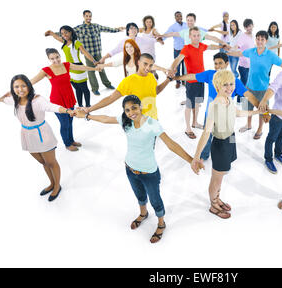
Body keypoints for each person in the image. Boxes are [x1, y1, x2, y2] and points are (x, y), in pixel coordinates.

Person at [74, 95, 203, 243]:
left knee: (155, 200)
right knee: (140, 196)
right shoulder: (126, 121)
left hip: (149, 173)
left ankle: (161, 223)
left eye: (134, 108)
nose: (131, 112)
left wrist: (191, 160)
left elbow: (171, 144)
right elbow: (105, 119)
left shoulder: (152, 124)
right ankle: (143, 214)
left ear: (140, 106)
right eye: (127, 110)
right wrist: (87, 116)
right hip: (130, 169)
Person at [190, 70, 262, 219]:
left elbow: (237, 113)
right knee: (216, 178)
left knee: (222, 174)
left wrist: (256, 113)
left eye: (231, 84)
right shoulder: (214, 105)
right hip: (220, 144)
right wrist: (196, 156)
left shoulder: (228, 99)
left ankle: (217, 198)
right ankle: (213, 204)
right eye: (225, 85)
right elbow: (206, 133)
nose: (229, 88)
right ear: (217, 86)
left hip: (231, 139)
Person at [0, 75, 75, 201]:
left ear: (29, 86)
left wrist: (67, 111)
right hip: (27, 135)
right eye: (16, 87)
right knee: (43, 162)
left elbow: (52, 107)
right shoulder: (15, 100)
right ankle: (51, 183)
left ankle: (57, 186)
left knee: (51, 162)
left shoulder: (37, 100)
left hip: (42, 134)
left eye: (23, 85)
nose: (20, 89)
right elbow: (1, 100)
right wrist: (5, 95)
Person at [176, 52, 260, 160]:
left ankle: (229, 156)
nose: (218, 66)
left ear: (226, 64)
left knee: (229, 137)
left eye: (220, 63)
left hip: (226, 117)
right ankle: (204, 156)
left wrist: (261, 109)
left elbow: (249, 96)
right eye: (215, 63)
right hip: (210, 113)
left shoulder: (234, 81)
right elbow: (192, 76)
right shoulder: (211, 74)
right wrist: (176, 77)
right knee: (207, 135)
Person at [29, 48, 99, 151]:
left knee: (70, 120)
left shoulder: (66, 65)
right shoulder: (46, 70)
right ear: (49, 59)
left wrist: (94, 69)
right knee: (64, 123)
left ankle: (71, 140)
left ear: (59, 55)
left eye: (57, 57)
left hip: (69, 98)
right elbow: (32, 81)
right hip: (57, 101)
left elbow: (81, 67)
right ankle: (67, 144)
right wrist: (16, 88)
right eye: (52, 58)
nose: (56, 60)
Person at [227, 30, 282, 140]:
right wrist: (229, 52)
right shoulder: (252, 51)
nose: (259, 41)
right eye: (258, 39)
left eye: (262, 39)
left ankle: (260, 129)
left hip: (263, 89)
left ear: (266, 41)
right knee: (247, 107)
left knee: (262, 111)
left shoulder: (271, 55)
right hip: (249, 86)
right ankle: (248, 125)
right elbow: (240, 53)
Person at [80, 53, 174, 120]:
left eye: (150, 65)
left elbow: (155, 91)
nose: (147, 68)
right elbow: (110, 98)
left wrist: (168, 80)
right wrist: (89, 109)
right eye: (145, 64)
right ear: (138, 62)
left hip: (153, 119)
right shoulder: (129, 81)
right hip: (137, 122)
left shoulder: (151, 76)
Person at [169, 27, 224, 139]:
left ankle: (195, 122)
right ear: (190, 37)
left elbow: (210, 47)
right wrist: (172, 69)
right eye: (194, 35)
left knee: (198, 102)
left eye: (198, 35)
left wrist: (220, 46)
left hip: (201, 80)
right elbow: (178, 59)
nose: (196, 37)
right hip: (191, 81)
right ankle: (188, 128)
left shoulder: (201, 46)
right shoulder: (186, 48)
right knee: (189, 105)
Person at [72, 10, 124, 95]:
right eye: (87, 16)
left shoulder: (96, 26)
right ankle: (95, 88)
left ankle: (107, 84)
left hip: (98, 52)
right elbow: (68, 33)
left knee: (102, 68)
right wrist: (54, 34)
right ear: (83, 16)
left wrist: (118, 29)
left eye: (90, 16)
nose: (88, 18)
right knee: (91, 71)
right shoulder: (79, 28)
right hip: (88, 54)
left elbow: (108, 29)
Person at [45, 25, 97, 108]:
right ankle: (80, 105)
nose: (64, 35)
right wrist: (51, 33)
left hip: (78, 68)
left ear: (70, 32)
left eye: (66, 32)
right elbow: (57, 37)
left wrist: (94, 61)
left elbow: (85, 52)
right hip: (69, 69)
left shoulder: (76, 42)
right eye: (62, 33)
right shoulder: (64, 42)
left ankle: (88, 106)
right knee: (77, 89)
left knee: (84, 89)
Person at [98, 39, 169, 78]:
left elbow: (151, 65)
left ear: (135, 47)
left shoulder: (140, 58)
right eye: (127, 47)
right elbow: (114, 63)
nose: (129, 49)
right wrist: (103, 65)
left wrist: (163, 69)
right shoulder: (126, 59)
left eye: (131, 46)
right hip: (131, 85)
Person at [157, 13, 228, 47]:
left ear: (194, 21)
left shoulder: (199, 31)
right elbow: (172, 34)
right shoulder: (184, 32)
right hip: (187, 57)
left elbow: (212, 38)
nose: (189, 22)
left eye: (191, 20)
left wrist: (223, 43)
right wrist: (161, 35)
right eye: (188, 20)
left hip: (197, 56)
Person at [163, 11, 187, 88]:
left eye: (180, 16)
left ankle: (184, 80)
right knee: (176, 66)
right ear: (175, 18)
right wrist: (161, 39)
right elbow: (166, 34)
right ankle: (178, 82)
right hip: (177, 50)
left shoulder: (186, 25)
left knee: (185, 66)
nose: (179, 17)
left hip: (185, 49)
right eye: (177, 16)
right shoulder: (173, 27)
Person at [234, 18, 255, 103]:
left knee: (248, 84)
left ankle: (243, 99)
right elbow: (237, 45)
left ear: (253, 25)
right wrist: (233, 49)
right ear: (245, 28)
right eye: (247, 27)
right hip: (243, 66)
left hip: (251, 65)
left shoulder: (253, 36)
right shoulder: (243, 37)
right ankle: (239, 100)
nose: (249, 28)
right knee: (243, 84)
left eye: (250, 26)